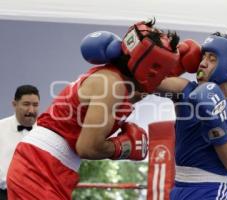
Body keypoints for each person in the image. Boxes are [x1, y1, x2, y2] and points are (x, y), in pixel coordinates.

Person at [6, 19, 200, 199]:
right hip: (38, 167)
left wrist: (186, 67)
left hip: (51, 166)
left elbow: (171, 89)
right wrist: (123, 147)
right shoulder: (111, 84)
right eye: (164, 71)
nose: (165, 76)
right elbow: (88, 147)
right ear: (150, 69)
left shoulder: (126, 82)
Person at [157, 32, 227, 199]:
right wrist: (174, 65)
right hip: (178, 189)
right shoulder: (184, 90)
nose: (202, 64)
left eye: (212, 59)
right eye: (203, 57)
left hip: (212, 190)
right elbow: (143, 85)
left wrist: (214, 124)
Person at [0, 85, 40, 200]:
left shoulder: (46, 131)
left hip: (36, 195)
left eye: (35, 105)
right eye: (26, 104)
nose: (31, 110)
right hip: (4, 194)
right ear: (14, 104)